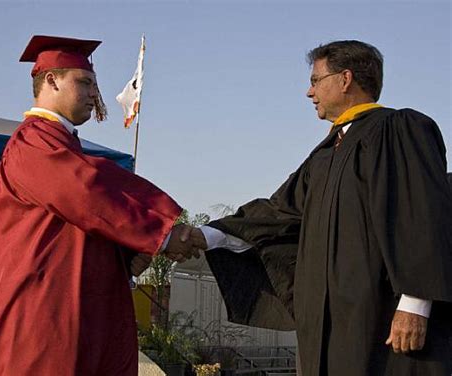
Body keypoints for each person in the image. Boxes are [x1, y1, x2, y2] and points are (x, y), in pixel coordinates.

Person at [187, 40, 452, 375]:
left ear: (345, 79)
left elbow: (424, 214)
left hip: (381, 319)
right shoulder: (325, 153)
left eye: (315, 81)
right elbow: (279, 212)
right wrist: (205, 235)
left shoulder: (400, 129)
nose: (309, 93)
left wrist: (415, 304)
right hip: (327, 325)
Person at [0, 35, 198, 375]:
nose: (95, 94)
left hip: (68, 322)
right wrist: (162, 233)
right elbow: (86, 192)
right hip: (41, 326)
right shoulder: (32, 143)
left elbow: (76, 228)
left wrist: (127, 255)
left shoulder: (63, 147)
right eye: (84, 82)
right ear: (51, 80)